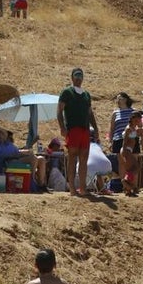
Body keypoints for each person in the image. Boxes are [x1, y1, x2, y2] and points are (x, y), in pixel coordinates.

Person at [56, 67, 98, 197]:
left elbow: (90, 113)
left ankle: (82, 188)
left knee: (84, 158)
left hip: (85, 129)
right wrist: (62, 127)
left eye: (80, 76)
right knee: (73, 157)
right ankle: (73, 189)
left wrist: (96, 128)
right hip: (73, 128)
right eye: (76, 76)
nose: (79, 78)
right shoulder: (67, 92)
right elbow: (59, 111)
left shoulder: (86, 95)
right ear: (72, 77)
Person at [118, 113, 142, 196]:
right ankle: (125, 182)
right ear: (132, 119)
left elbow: (137, 134)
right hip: (126, 150)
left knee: (131, 169)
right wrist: (124, 151)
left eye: (138, 119)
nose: (137, 121)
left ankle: (127, 189)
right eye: (136, 119)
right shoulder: (128, 128)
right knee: (136, 167)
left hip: (128, 150)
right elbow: (124, 141)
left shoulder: (133, 128)